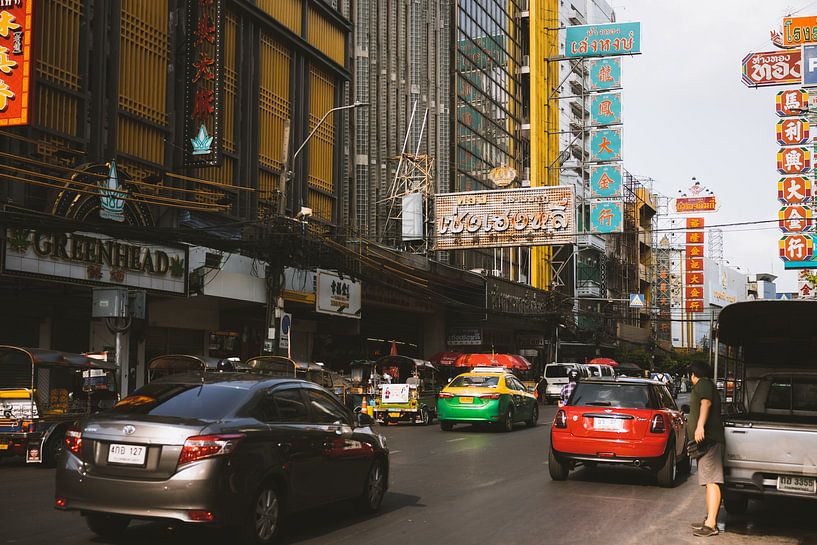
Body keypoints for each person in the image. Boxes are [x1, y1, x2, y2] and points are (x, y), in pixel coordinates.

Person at [688, 361, 725, 537]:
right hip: (707, 441)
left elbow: (706, 403)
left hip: (709, 440)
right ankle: (709, 519)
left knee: (712, 480)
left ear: (693, 375)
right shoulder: (707, 384)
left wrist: (700, 426)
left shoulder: (702, 384)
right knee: (709, 480)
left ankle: (711, 524)